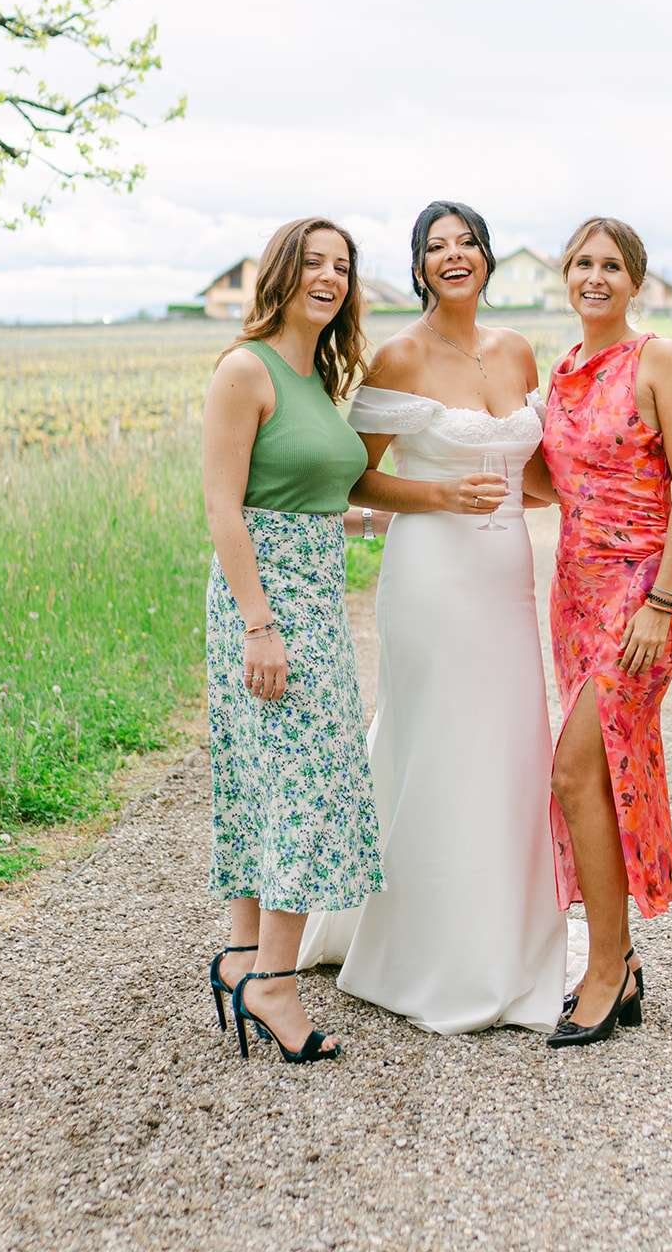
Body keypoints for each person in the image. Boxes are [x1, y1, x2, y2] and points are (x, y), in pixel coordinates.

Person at [299, 201, 567, 1033]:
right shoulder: (399, 357)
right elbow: (356, 479)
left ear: (486, 260)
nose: (455, 256)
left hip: (506, 576)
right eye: (436, 247)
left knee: (510, 746)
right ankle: (424, 946)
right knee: (439, 740)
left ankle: (510, 940)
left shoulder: (517, 349)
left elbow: (531, 472)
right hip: (431, 575)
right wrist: (438, 494)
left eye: (468, 244)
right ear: (419, 266)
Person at [202, 217, 384, 1064]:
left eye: (342, 266)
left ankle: (243, 957)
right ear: (280, 272)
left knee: (265, 781)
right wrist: (258, 624)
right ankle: (275, 980)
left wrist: (375, 517)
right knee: (311, 783)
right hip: (267, 604)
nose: (330, 276)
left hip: (312, 591)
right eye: (313, 262)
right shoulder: (246, 369)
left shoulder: (317, 375)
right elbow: (224, 507)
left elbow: (302, 494)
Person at [530, 215, 672, 1048]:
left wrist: (661, 599)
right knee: (592, 779)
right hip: (573, 594)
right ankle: (620, 962)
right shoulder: (560, 371)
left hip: (642, 596)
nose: (593, 277)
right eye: (580, 263)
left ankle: (604, 967)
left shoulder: (656, 359)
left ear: (635, 281)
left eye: (610, 266)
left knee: (572, 769)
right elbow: (540, 480)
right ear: (564, 276)